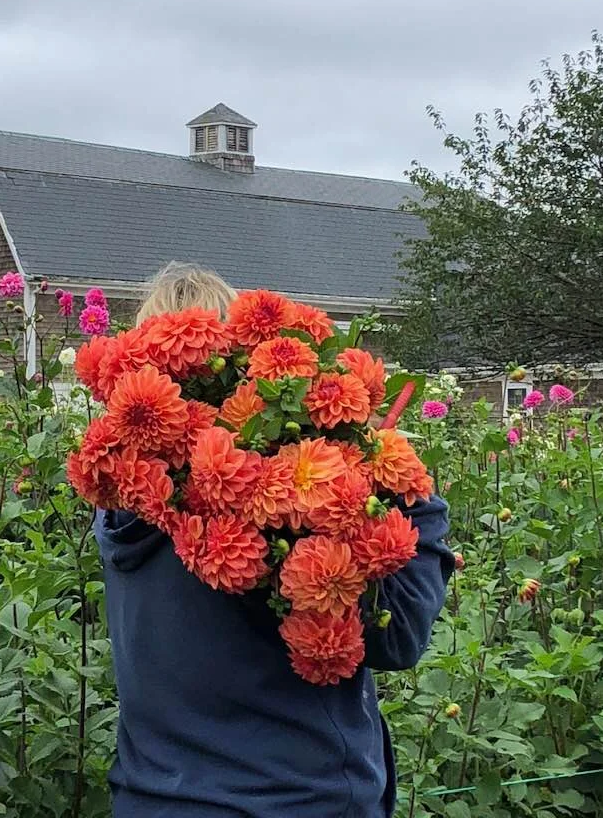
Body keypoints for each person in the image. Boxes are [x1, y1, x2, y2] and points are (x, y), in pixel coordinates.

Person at [94, 262, 454, 818]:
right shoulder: (284, 503)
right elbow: (398, 636)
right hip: (292, 800)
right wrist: (407, 489)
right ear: (241, 361)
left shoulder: (122, 501)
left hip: (152, 798)